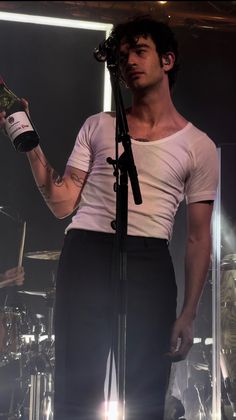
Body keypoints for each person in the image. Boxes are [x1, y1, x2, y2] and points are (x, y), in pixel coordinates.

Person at [0, 16, 219, 420]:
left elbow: (198, 239)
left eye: (139, 51)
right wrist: (28, 142)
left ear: (167, 60)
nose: (129, 61)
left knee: (145, 392)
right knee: (76, 389)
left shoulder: (198, 146)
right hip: (85, 252)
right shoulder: (98, 126)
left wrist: (189, 312)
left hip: (149, 260)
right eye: (121, 57)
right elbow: (63, 201)